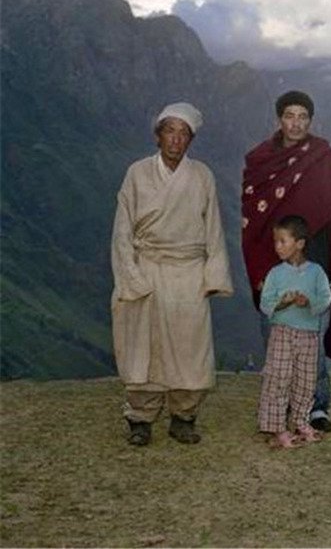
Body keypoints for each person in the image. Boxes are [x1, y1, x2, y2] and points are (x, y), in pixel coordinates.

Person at [241, 91, 331, 432]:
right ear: (279, 119)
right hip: (274, 267)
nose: (296, 123)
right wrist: (258, 272)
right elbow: (253, 224)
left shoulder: (325, 161)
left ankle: (317, 407)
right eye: (290, 115)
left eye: (303, 116)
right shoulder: (261, 162)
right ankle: (280, 404)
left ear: (311, 121)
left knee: (313, 338)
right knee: (276, 339)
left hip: (318, 262)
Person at [111, 102, 233, 446]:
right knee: (143, 349)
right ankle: (140, 418)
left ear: (191, 140)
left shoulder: (202, 176)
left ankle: (184, 416)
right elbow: (122, 230)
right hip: (147, 268)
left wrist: (213, 276)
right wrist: (130, 276)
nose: (176, 139)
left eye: (183, 133)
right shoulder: (137, 173)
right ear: (158, 135)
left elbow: (213, 228)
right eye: (170, 131)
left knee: (190, 349)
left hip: (188, 273)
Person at [258, 215, 331, 448]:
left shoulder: (316, 272)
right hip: (282, 333)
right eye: (276, 242)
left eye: (283, 241)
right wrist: (282, 304)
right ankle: (277, 428)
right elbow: (265, 303)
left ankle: (301, 422)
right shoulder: (275, 273)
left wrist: (308, 302)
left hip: (309, 335)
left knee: (305, 381)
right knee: (278, 379)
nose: (277, 247)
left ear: (299, 243)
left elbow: (325, 299)